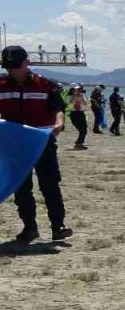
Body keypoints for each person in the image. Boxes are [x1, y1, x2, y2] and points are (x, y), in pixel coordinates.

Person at [0, 46, 73, 242]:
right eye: (8, 67)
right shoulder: (1, 85)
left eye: (15, 66)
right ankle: (29, 228)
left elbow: (58, 108)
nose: (12, 71)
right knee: (21, 187)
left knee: (50, 184)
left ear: (26, 62)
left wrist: (59, 122)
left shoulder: (46, 85)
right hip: (14, 145)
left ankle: (58, 226)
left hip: (42, 142)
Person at [67, 84, 89, 149]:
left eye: (78, 89)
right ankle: (78, 143)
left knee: (84, 129)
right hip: (74, 113)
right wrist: (75, 96)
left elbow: (85, 104)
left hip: (81, 113)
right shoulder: (69, 96)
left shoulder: (82, 95)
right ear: (72, 90)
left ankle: (79, 143)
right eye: (76, 89)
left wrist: (81, 97)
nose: (78, 90)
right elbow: (70, 104)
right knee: (81, 129)